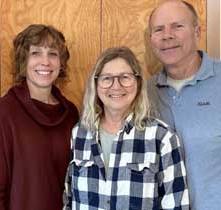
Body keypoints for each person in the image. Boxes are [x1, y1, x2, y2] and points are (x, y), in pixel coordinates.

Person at [63, 46, 189, 210]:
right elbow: (69, 199)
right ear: (96, 84)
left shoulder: (161, 137)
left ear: (138, 82)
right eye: (107, 78)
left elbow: (176, 205)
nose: (116, 86)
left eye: (125, 77)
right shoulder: (80, 133)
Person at [0, 24, 79, 210]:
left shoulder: (71, 114)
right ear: (23, 61)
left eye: (53, 54)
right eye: (36, 53)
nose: (45, 62)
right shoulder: (1, 115)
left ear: (61, 63)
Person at [147, 1, 221, 209]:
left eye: (177, 26)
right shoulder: (143, 93)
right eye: (158, 29)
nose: (167, 35)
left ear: (197, 32)